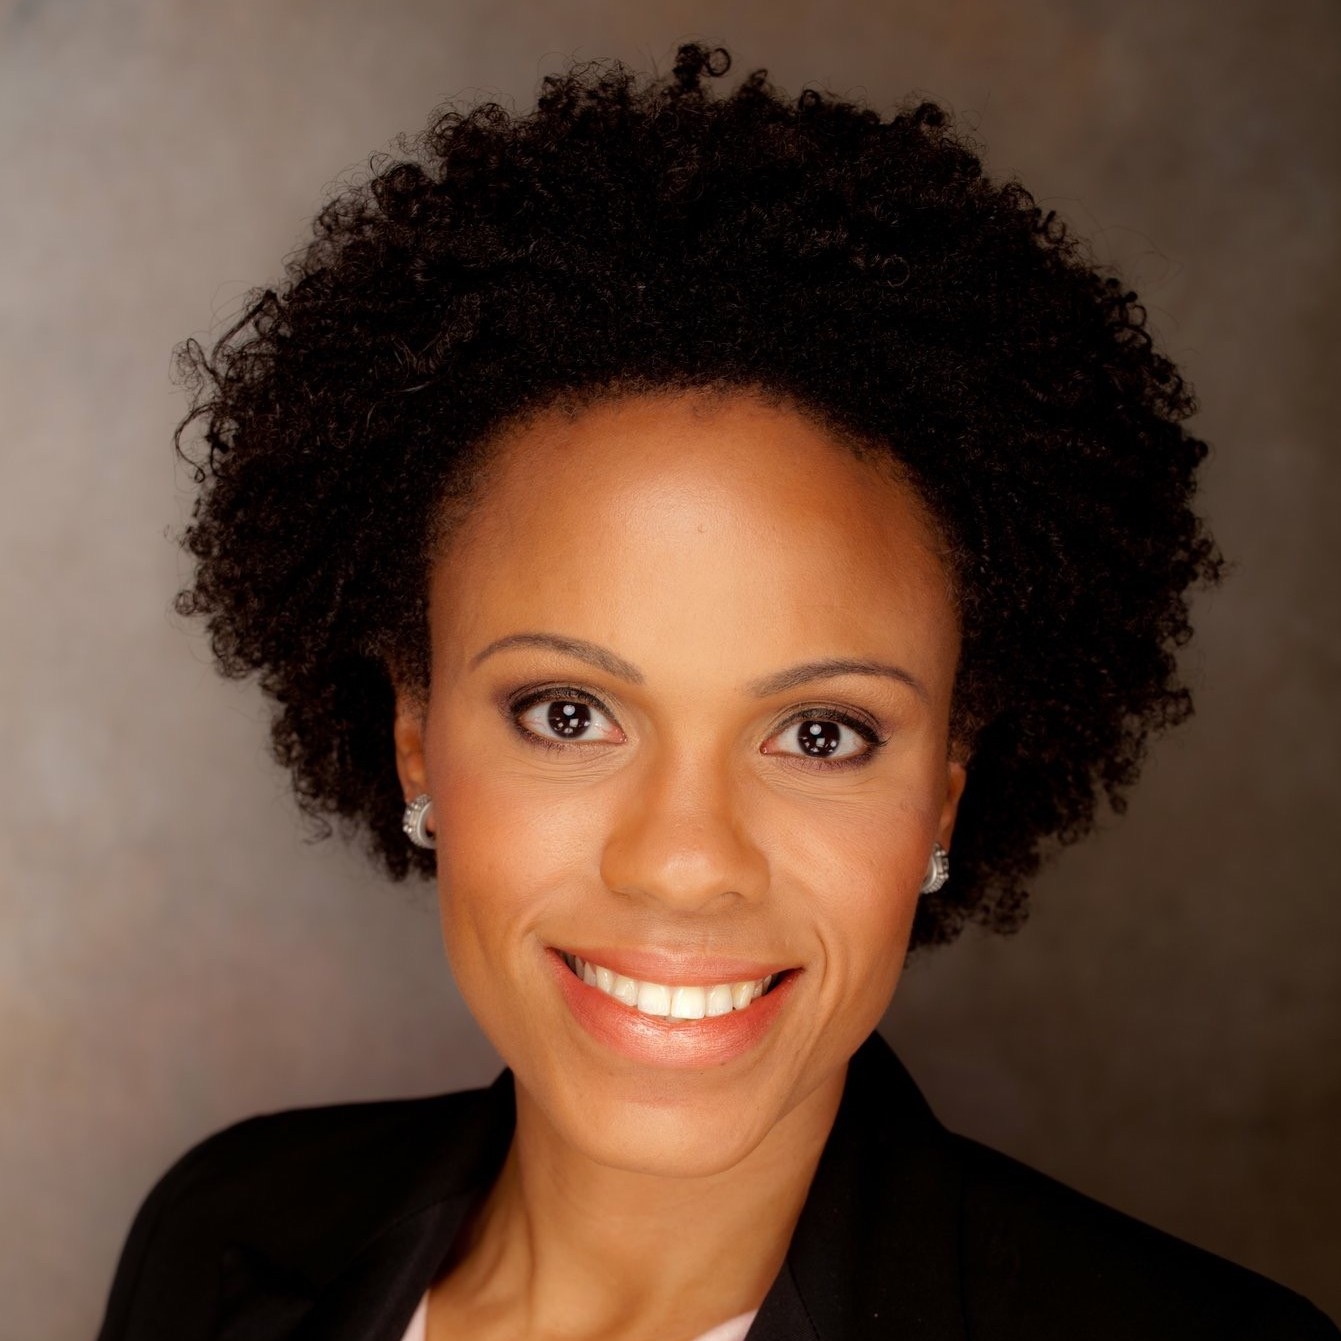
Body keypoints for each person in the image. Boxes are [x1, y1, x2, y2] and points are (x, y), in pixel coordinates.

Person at [94, 43, 1338, 1341]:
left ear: (945, 791)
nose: (685, 865)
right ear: (415, 736)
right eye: (568, 713)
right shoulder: (225, 1233)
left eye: (820, 732)